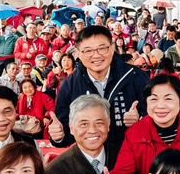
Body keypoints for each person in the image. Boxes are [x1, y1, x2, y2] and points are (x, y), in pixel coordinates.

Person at [55, 24, 149, 155]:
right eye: (88, 50)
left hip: (130, 157)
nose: (96, 55)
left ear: (112, 48)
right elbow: (65, 130)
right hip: (90, 163)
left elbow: (155, 119)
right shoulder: (70, 86)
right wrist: (59, 136)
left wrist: (139, 121)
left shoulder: (135, 77)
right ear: (78, 54)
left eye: (102, 48)